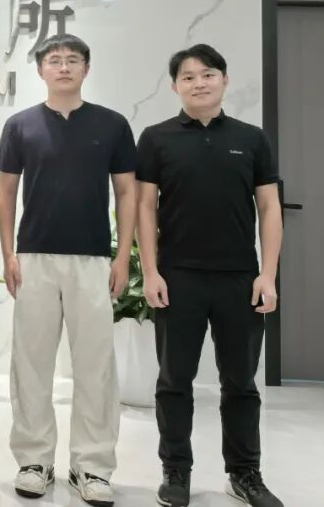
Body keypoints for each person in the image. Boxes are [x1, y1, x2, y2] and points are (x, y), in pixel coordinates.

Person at [137, 44, 284, 507]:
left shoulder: (252, 138)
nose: (199, 83)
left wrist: (268, 274)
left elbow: (269, 207)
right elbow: (144, 207)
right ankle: (175, 470)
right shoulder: (156, 138)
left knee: (240, 382)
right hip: (177, 278)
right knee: (174, 381)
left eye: (208, 74)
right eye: (188, 76)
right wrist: (150, 271)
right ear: (175, 86)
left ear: (224, 79)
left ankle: (244, 473)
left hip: (240, 279)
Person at [0, 34, 136, 506]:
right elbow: (5, 194)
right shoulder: (20, 125)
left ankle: (91, 466)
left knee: (95, 365)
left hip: (93, 258)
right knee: (31, 363)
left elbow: (126, 193)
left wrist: (122, 256)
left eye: (72, 60)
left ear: (86, 69)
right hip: (34, 257)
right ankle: (34, 460)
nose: (63, 67)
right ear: (40, 70)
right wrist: (8, 253)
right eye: (54, 60)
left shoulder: (112, 125)